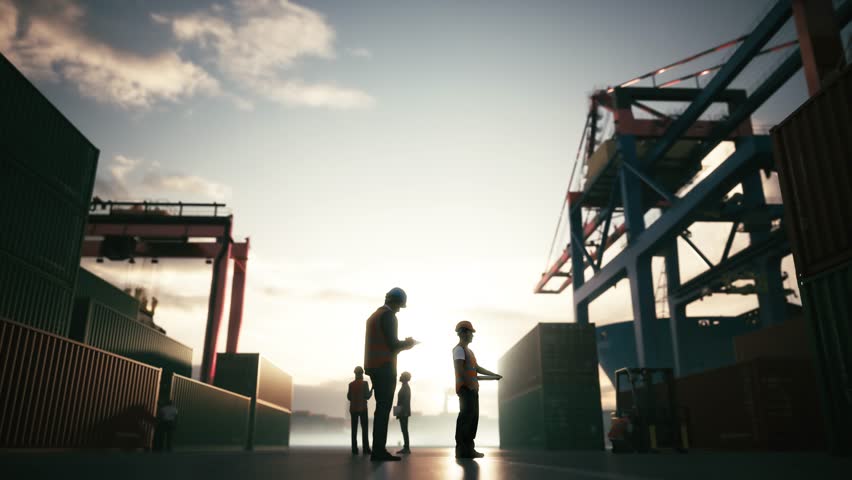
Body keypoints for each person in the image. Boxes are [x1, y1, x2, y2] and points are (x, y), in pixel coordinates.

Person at [364, 287, 418, 462]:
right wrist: (408, 344)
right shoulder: (389, 317)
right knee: (383, 409)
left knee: (381, 408)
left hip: (373, 366)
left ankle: (377, 449)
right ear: (395, 302)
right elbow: (393, 345)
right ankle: (378, 451)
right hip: (385, 368)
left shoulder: (374, 316)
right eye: (400, 306)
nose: (399, 309)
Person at [453, 321, 500, 459]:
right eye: (470, 332)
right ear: (462, 333)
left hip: (473, 389)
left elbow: (476, 369)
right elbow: (460, 371)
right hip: (465, 389)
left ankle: (469, 449)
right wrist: (469, 383)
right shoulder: (459, 350)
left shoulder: (469, 351)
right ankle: (461, 450)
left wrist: (493, 376)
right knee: (465, 419)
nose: (472, 335)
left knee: (473, 419)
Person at [348, 366, 373, 455]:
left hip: (353, 409)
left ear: (355, 374)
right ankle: (366, 448)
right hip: (363, 408)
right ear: (361, 374)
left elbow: (349, 397)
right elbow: (367, 396)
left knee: (354, 430)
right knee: (364, 429)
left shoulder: (351, 384)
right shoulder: (365, 383)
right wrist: (372, 390)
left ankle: (354, 449)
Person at [394, 371, 412, 454]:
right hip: (403, 412)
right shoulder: (404, 387)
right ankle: (406, 447)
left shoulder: (405, 388)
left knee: (404, 429)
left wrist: (400, 413)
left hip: (403, 412)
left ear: (404, 378)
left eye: (401, 375)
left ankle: (406, 448)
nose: (400, 376)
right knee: (404, 429)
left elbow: (404, 402)